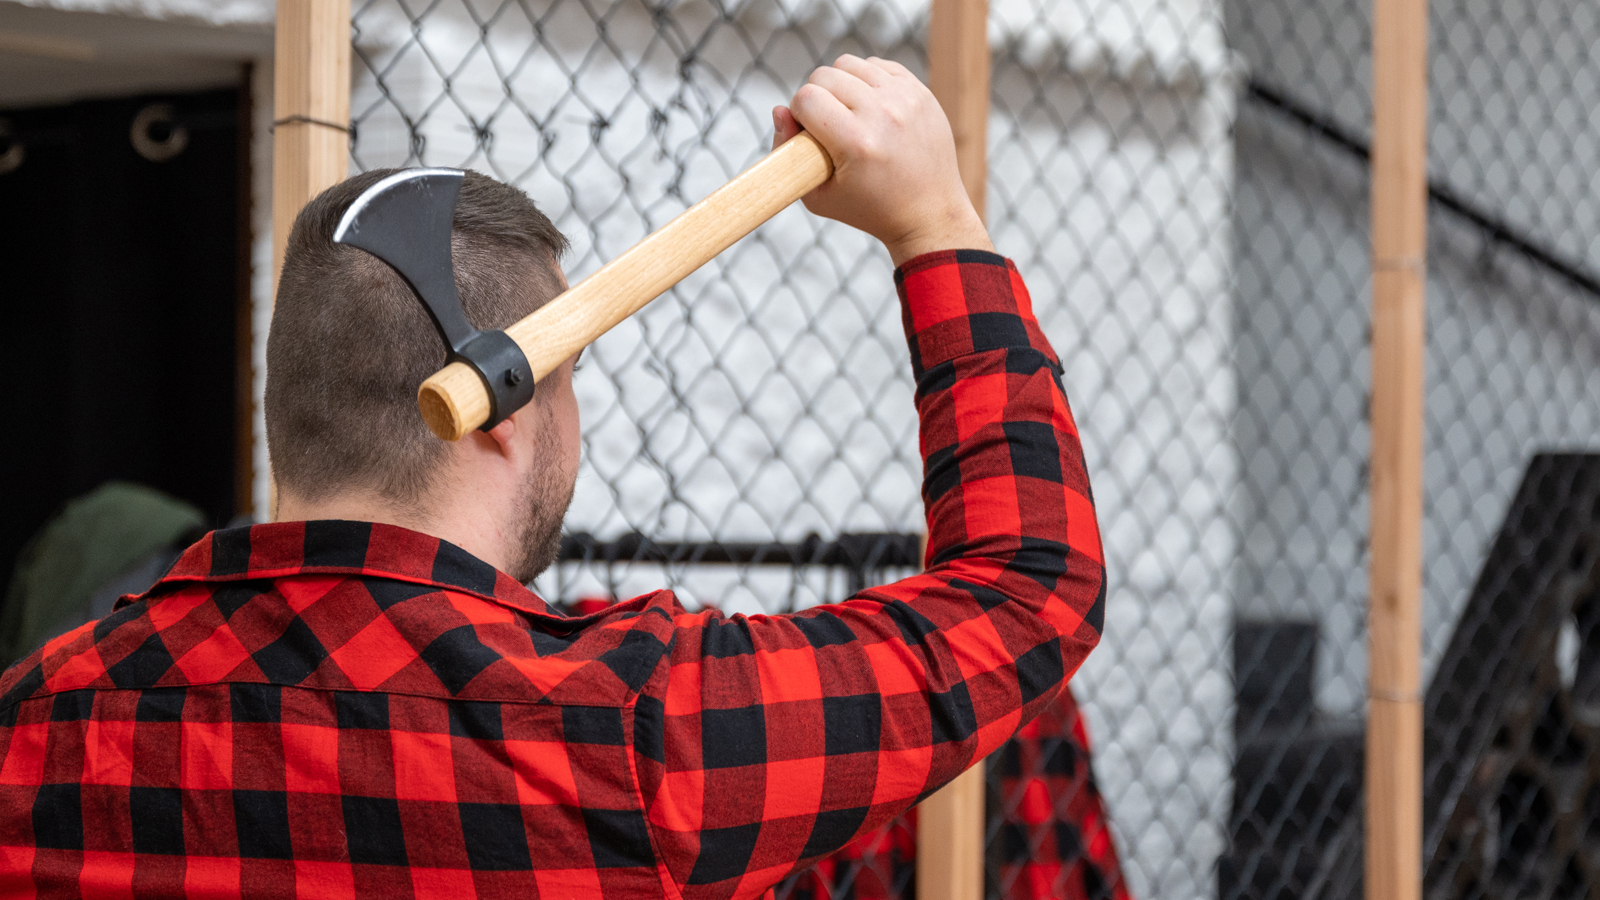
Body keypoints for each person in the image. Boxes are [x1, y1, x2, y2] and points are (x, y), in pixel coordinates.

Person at [0, 56, 1105, 899]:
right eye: (566, 377)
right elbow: (1026, 589)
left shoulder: (37, 723)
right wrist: (935, 224)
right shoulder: (628, 735)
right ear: (498, 410)